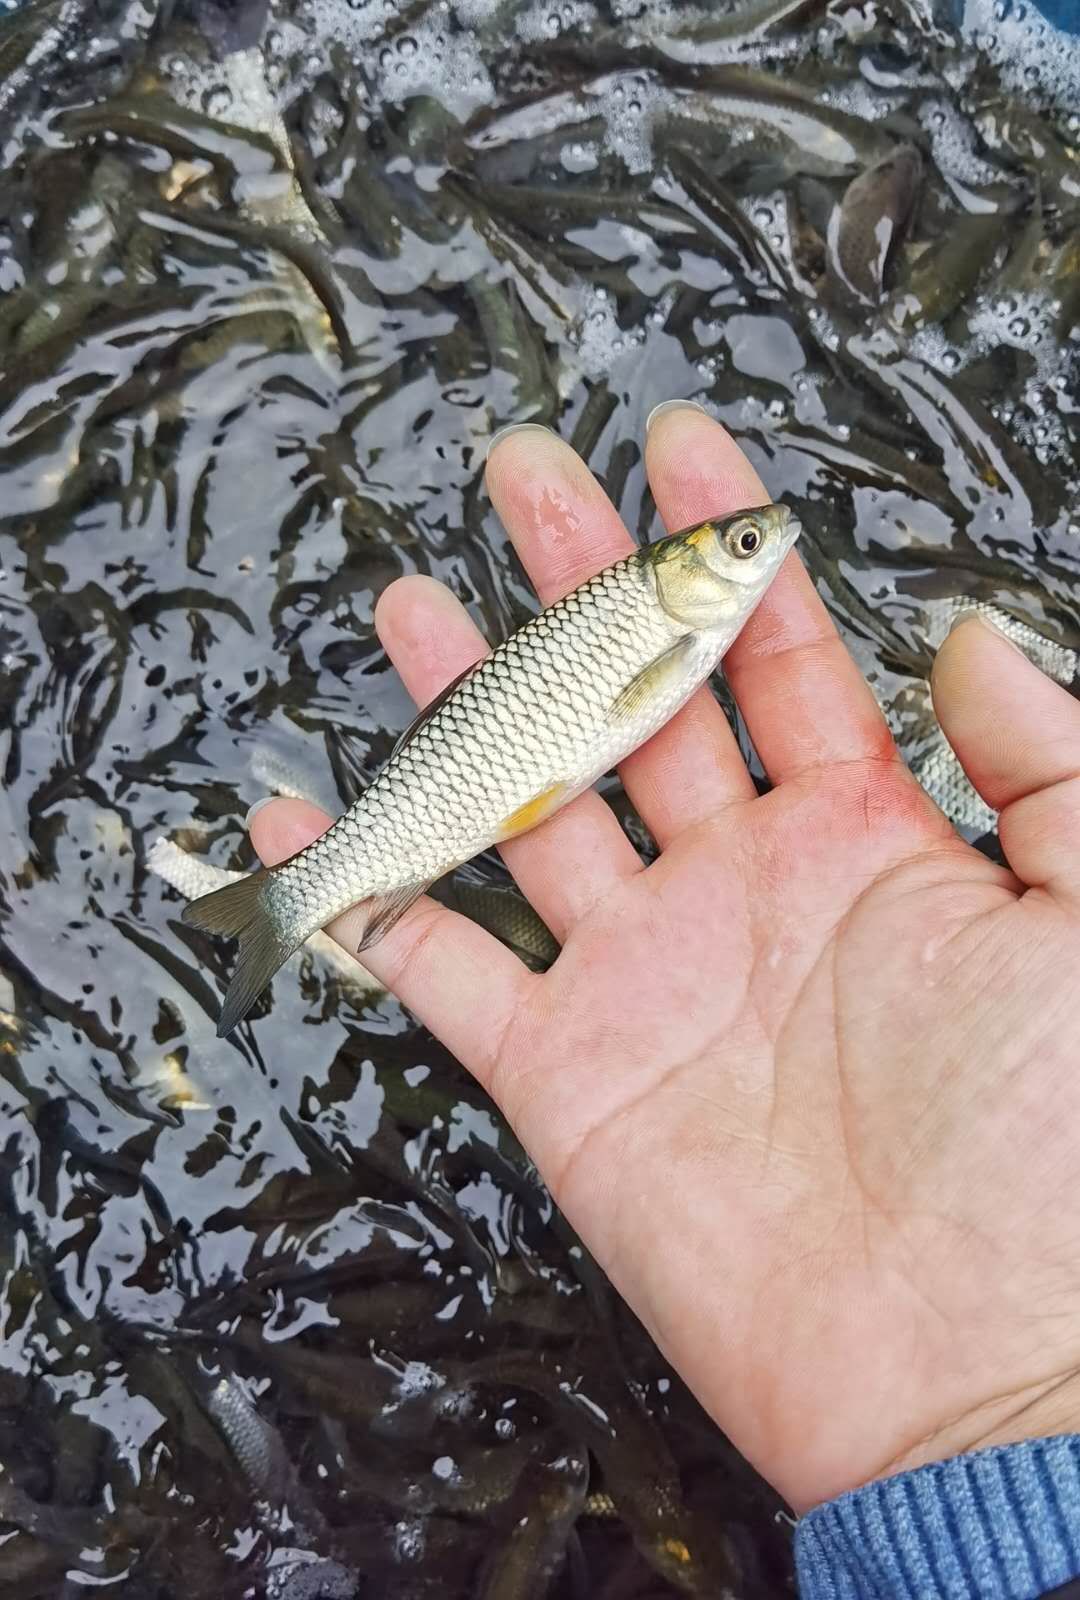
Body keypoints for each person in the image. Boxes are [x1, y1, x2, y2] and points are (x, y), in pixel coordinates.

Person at [247, 403, 1080, 1598]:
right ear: (690, 570)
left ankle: (291, 899)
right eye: (741, 548)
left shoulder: (684, 619)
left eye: (746, 546)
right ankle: (289, 898)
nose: (763, 546)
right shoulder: (657, 617)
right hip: (492, 762)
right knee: (407, 826)